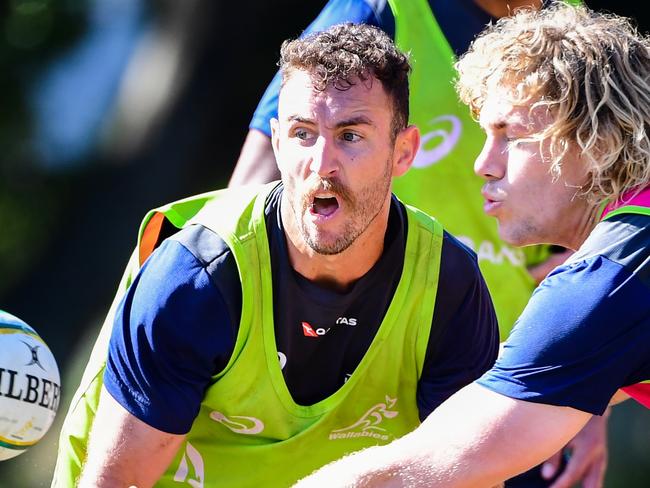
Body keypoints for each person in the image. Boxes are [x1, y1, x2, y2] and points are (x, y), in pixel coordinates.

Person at [51, 23, 499, 487]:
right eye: (304, 133)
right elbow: (117, 481)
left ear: (403, 151)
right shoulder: (198, 279)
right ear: (278, 142)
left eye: (350, 136)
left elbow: (470, 473)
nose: (322, 164)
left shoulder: (448, 286)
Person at [228, 1, 607, 486]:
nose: (488, 163)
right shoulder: (379, 14)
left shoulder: (573, 28)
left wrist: (592, 390)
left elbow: (611, 184)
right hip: (377, 368)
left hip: (523, 371)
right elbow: (253, 195)